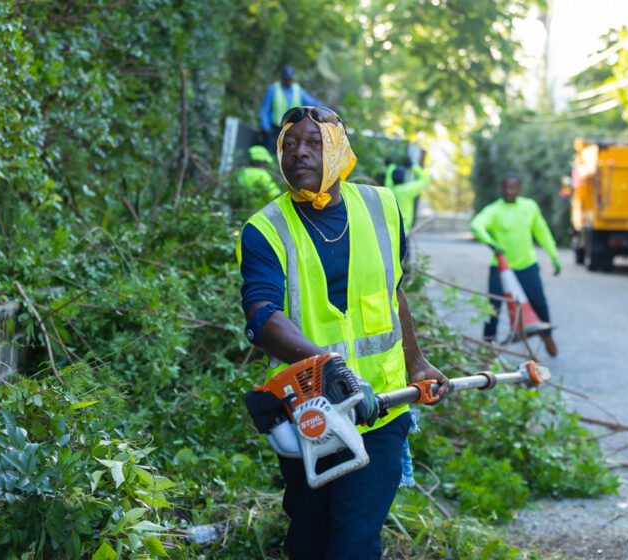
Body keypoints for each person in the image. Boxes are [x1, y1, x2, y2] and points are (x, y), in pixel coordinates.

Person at [237, 106, 449, 559]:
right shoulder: (264, 229)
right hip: (309, 411)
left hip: (380, 411)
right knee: (309, 539)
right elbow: (262, 316)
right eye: (289, 144)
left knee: (353, 541)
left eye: (314, 142)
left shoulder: (383, 206)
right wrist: (329, 366)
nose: (300, 152)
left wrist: (417, 363)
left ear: (339, 149)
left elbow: (392, 291)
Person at [470, 172, 561, 356]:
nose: (508, 191)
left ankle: (547, 337)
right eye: (505, 187)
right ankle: (488, 349)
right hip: (501, 269)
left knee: (540, 304)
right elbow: (477, 225)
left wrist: (554, 255)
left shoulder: (529, 207)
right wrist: (490, 242)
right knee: (493, 309)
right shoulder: (494, 210)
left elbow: (542, 232)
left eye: (512, 187)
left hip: (527, 267)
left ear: (519, 189)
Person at [258, 65, 322, 152]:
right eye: (286, 79)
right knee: (271, 153)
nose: (288, 81)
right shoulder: (273, 89)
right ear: (282, 78)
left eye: (290, 79)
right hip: (274, 129)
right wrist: (265, 127)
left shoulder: (298, 90)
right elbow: (265, 109)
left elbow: (312, 103)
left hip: (291, 131)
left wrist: (324, 108)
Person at [385, 158, 431, 236]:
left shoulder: (389, 189)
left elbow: (388, 179)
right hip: (404, 230)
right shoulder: (406, 190)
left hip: (390, 229)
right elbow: (425, 179)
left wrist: (391, 167)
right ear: (403, 178)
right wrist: (412, 166)